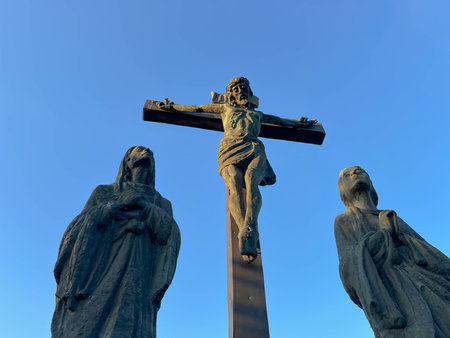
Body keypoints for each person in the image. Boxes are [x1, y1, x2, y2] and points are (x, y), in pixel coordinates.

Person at [160, 77, 315, 262]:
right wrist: (173, 107)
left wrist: (299, 123)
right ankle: (244, 230)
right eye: (236, 89)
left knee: (251, 181)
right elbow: (198, 108)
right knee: (234, 181)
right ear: (230, 95)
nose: (241, 91)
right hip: (230, 148)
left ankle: (249, 225)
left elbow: (281, 121)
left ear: (250, 95)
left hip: (254, 148)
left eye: (244, 89)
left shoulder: (258, 115)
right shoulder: (225, 108)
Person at [51, 146, 181, 338]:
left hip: (138, 271)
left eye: (149, 152)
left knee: (129, 322)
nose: (146, 150)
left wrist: (144, 207)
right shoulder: (104, 193)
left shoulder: (161, 203)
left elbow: (168, 234)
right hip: (102, 271)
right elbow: (79, 228)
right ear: (127, 162)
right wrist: (117, 206)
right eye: (137, 150)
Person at [335, 166, 450, 338]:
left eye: (360, 170)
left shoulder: (391, 217)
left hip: (425, 281)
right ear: (342, 189)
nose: (354, 173)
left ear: (371, 182)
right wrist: (383, 236)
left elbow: (429, 253)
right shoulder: (344, 221)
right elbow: (348, 266)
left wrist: (400, 237)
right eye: (347, 174)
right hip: (395, 293)